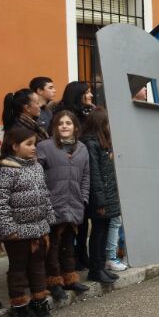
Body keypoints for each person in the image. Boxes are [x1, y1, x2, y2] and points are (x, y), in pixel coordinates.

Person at [0, 126, 56, 317]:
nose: (33, 148)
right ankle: (19, 307)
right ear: (14, 146)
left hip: (38, 228)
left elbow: (45, 195)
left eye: (34, 143)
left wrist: (49, 218)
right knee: (18, 270)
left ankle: (39, 301)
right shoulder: (5, 170)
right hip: (16, 233)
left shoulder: (36, 166)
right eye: (29, 144)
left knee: (38, 268)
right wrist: (8, 228)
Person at [36, 110, 91, 302]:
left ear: (75, 127)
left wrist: (83, 198)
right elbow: (37, 174)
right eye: (61, 123)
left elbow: (86, 176)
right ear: (55, 127)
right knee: (52, 245)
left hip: (74, 203)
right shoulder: (44, 147)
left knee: (69, 243)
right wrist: (44, 199)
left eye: (68, 123)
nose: (65, 126)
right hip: (52, 203)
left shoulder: (82, 148)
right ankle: (54, 282)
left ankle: (69, 277)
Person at [80, 108, 121, 285]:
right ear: (100, 124)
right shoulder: (91, 144)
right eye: (107, 122)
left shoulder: (103, 142)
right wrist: (100, 201)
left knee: (103, 230)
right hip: (99, 198)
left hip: (107, 195)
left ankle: (101, 266)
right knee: (97, 232)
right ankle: (95, 270)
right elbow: (94, 175)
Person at [57, 81, 95, 269]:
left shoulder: (89, 113)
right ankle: (69, 260)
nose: (91, 95)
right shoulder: (65, 117)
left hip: (84, 172)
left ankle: (81, 254)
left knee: (82, 219)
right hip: (67, 175)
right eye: (87, 92)